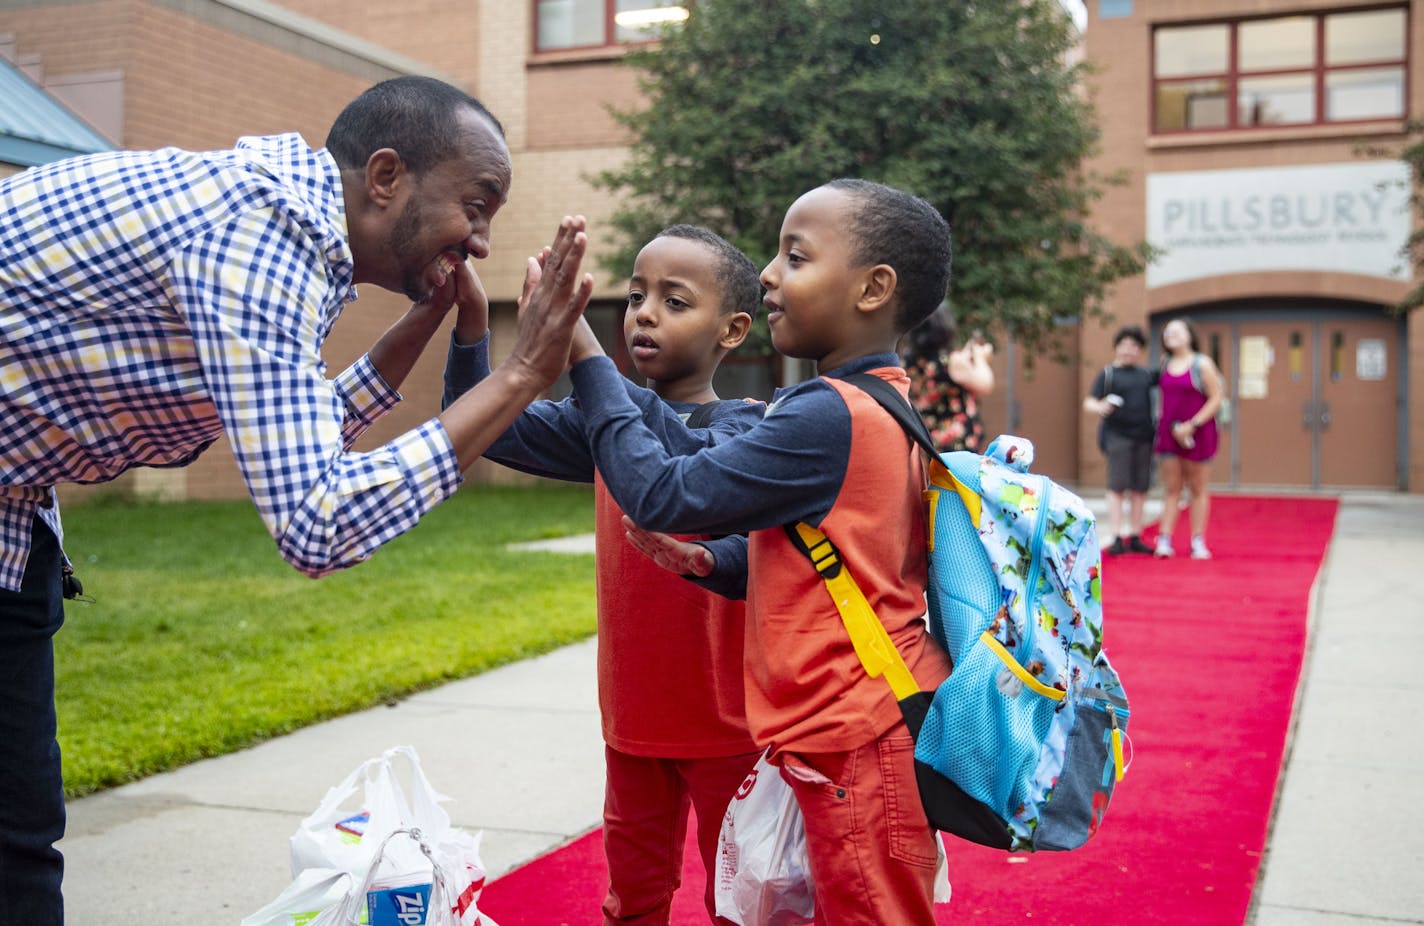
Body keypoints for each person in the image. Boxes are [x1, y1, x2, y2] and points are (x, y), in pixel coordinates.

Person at [0, 75, 593, 922]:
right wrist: (525, 372)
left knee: (19, 835)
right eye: (478, 203)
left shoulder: (284, 231)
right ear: (385, 177)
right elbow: (316, 521)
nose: (485, 241)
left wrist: (420, 331)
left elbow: (294, 433)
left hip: (14, 519)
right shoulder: (256, 236)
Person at [567, 179, 955, 924]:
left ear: (874, 288)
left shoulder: (824, 414)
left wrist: (582, 350)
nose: (771, 273)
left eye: (795, 256)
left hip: (855, 734)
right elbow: (824, 557)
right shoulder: (879, 401)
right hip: (865, 723)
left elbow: (663, 495)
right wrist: (712, 562)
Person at [441, 225, 764, 924]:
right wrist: (471, 326)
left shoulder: (748, 430)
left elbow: (671, 459)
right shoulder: (604, 419)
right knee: (631, 902)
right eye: (638, 295)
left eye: (675, 302)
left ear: (732, 329)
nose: (644, 312)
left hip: (729, 729)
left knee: (742, 905)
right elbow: (481, 425)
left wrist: (586, 358)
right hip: (632, 721)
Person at [1152, 317, 1225, 560]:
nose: (1171, 335)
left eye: (1177, 331)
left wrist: (1192, 425)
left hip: (1198, 433)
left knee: (1197, 487)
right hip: (1169, 434)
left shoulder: (1202, 364)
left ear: (1189, 335)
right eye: (1167, 332)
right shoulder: (1164, 363)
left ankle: (1197, 540)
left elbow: (1216, 399)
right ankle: (1164, 539)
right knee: (1172, 487)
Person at [1083, 325, 1157, 555]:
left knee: (1140, 487)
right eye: (1124, 345)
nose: (1129, 350)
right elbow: (1089, 402)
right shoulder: (1108, 374)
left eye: (1134, 346)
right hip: (1117, 436)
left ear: (1140, 350)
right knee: (1117, 486)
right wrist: (1101, 406)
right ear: (1116, 348)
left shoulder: (1146, 375)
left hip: (1145, 436)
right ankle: (1116, 536)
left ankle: (1135, 535)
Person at [900, 302, 994, 452]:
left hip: (924, 442)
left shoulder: (906, 362)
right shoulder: (951, 362)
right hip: (955, 449)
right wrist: (980, 358)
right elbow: (985, 384)